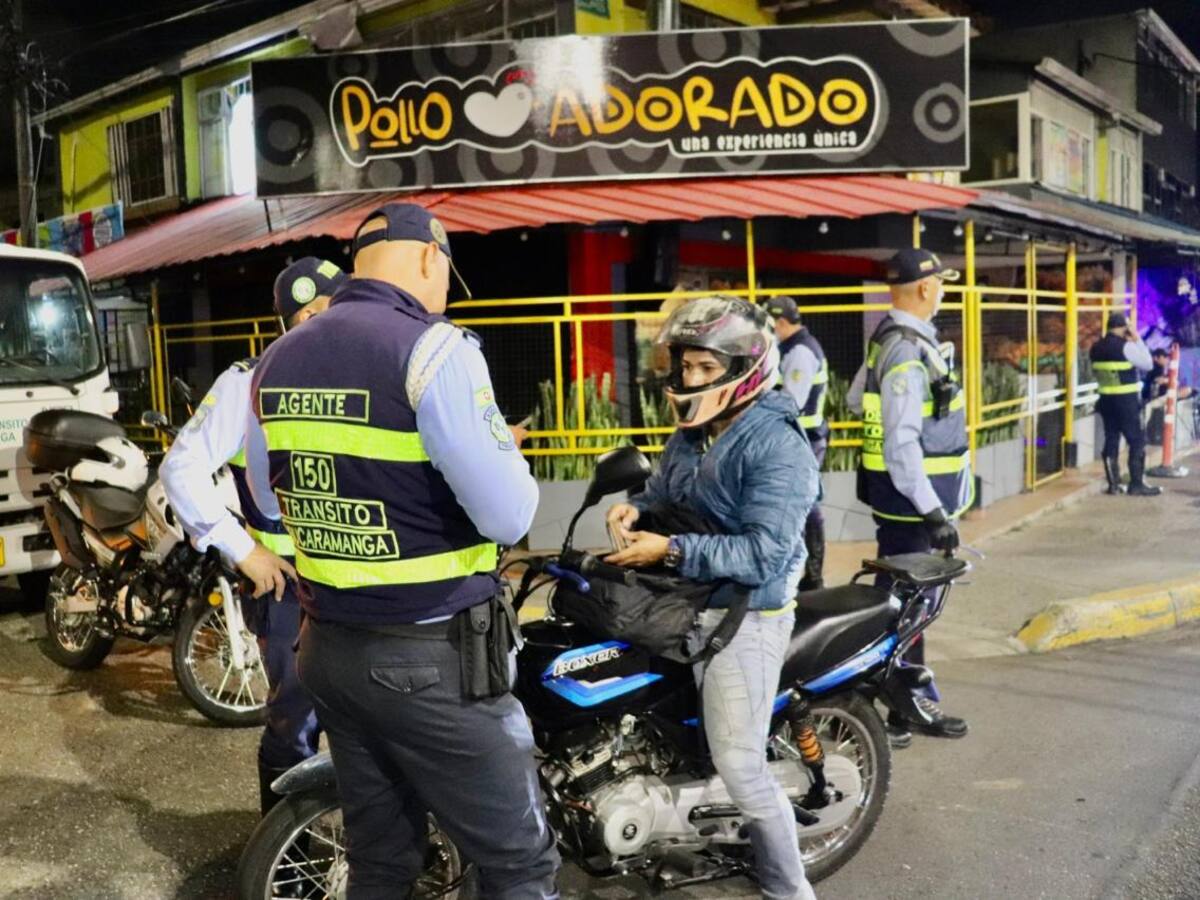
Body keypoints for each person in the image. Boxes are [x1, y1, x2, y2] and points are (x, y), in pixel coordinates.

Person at [246, 202, 559, 899]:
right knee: (519, 864)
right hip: (431, 657)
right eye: (448, 273)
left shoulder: (276, 361)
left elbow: (268, 502)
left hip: (328, 650)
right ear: (428, 258)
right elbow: (509, 514)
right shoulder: (436, 349)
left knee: (382, 860)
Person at [605, 296, 820, 900]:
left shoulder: (777, 447)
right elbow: (666, 491)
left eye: (705, 369)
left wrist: (668, 550)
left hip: (746, 614)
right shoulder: (696, 432)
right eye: (686, 367)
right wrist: (638, 507)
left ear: (743, 369)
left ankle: (789, 888)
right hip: (684, 600)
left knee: (741, 765)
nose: (690, 380)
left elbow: (763, 555)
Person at [159, 256, 345, 815]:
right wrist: (243, 548)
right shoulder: (249, 382)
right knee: (294, 723)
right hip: (293, 590)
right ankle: (292, 859)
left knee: (373, 724)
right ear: (298, 319)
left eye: (337, 307)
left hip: (364, 582)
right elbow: (181, 468)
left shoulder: (368, 371)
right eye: (311, 312)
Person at [847, 248, 971, 745]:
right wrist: (934, 511)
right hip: (912, 507)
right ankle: (905, 707)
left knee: (901, 606)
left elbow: (858, 400)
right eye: (940, 283)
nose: (942, 290)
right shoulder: (905, 350)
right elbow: (901, 443)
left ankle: (892, 702)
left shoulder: (889, 339)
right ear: (924, 288)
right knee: (912, 610)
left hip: (898, 501)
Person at [767, 296, 829, 589]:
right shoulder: (792, 348)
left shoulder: (801, 352)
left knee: (806, 503)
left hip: (806, 439)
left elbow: (792, 401)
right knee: (800, 502)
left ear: (781, 322)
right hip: (801, 438)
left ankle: (814, 574)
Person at [1090, 312, 1161, 496]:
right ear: (1124, 327)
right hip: (1126, 402)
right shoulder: (1126, 347)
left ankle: (1113, 485)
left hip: (1106, 401)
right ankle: (1136, 484)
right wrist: (1137, 339)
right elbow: (1147, 364)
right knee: (1136, 441)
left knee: (1111, 439)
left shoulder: (1096, 348)